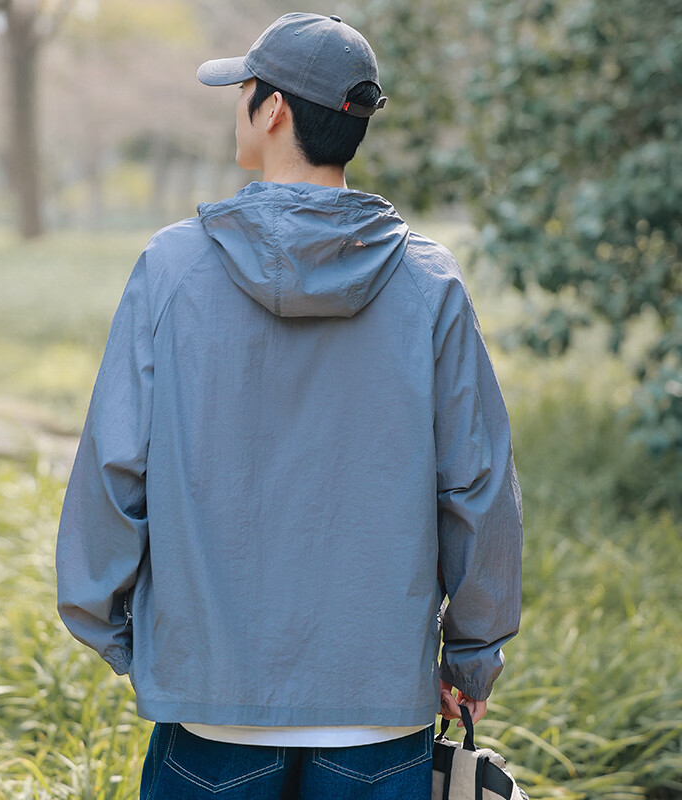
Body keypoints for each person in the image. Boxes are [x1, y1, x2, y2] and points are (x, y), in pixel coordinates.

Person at [55, 11, 523, 800]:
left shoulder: (172, 269)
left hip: (211, 705)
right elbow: (478, 487)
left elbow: (114, 464)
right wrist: (471, 656)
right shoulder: (430, 282)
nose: (237, 102)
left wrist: (125, 634)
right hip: (379, 712)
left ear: (271, 111)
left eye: (243, 88)